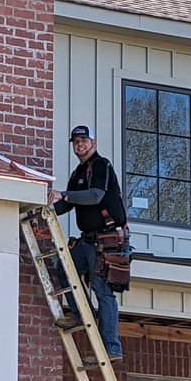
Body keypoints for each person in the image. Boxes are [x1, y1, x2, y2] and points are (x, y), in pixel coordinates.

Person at [49, 125, 128, 361]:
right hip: (88, 241)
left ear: (92, 142)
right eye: (76, 142)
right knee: (63, 269)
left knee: (103, 291)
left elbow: (95, 196)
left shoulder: (101, 165)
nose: (79, 145)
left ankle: (111, 348)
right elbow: (66, 205)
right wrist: (44, 208)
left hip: (107, 239)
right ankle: (79, 313)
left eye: (83, 140)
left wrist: (64, 194)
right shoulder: (78, 173)